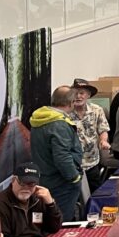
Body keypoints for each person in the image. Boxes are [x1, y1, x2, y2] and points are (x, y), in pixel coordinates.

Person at [29, 86, 84, 222]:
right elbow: (62, 157)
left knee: (52, 216)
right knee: (62, 220)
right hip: (62, 183)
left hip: (46, 178)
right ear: (71, 102)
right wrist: (74, 178)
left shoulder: (40, 119)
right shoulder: (60, 124)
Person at [70, 78, 111, 195]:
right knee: (76, 197)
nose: (78, 96)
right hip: (74, 164)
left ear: (88, 95)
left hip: (92, 161)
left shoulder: (97, 110)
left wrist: (103, 141)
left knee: (95, 194)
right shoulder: (66, 112)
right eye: (75, 93)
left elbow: (103, 129)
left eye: (82, 93)